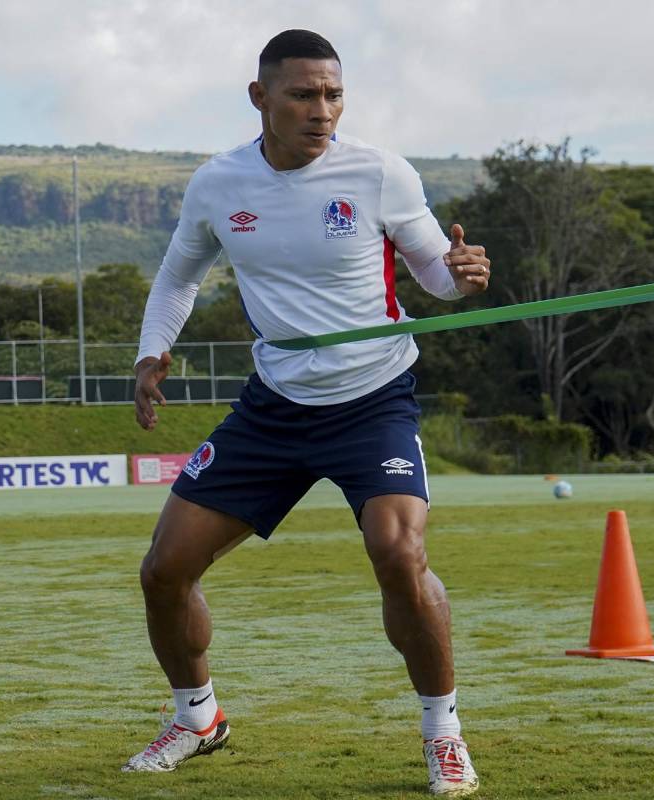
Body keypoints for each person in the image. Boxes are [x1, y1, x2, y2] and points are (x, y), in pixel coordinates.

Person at [123, 29, 491, 797]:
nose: (321, 110)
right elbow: (177, 278)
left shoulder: (379, 172)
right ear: (261, 99)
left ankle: (444, 734)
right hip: (274, 410)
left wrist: (463, 276)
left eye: (332, 94)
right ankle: (198, 719)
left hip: (373, 402)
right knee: (165, 570)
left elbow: (435, 275)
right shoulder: (219, 185)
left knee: (398, 554)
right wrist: (150, 355)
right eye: (302, 95)